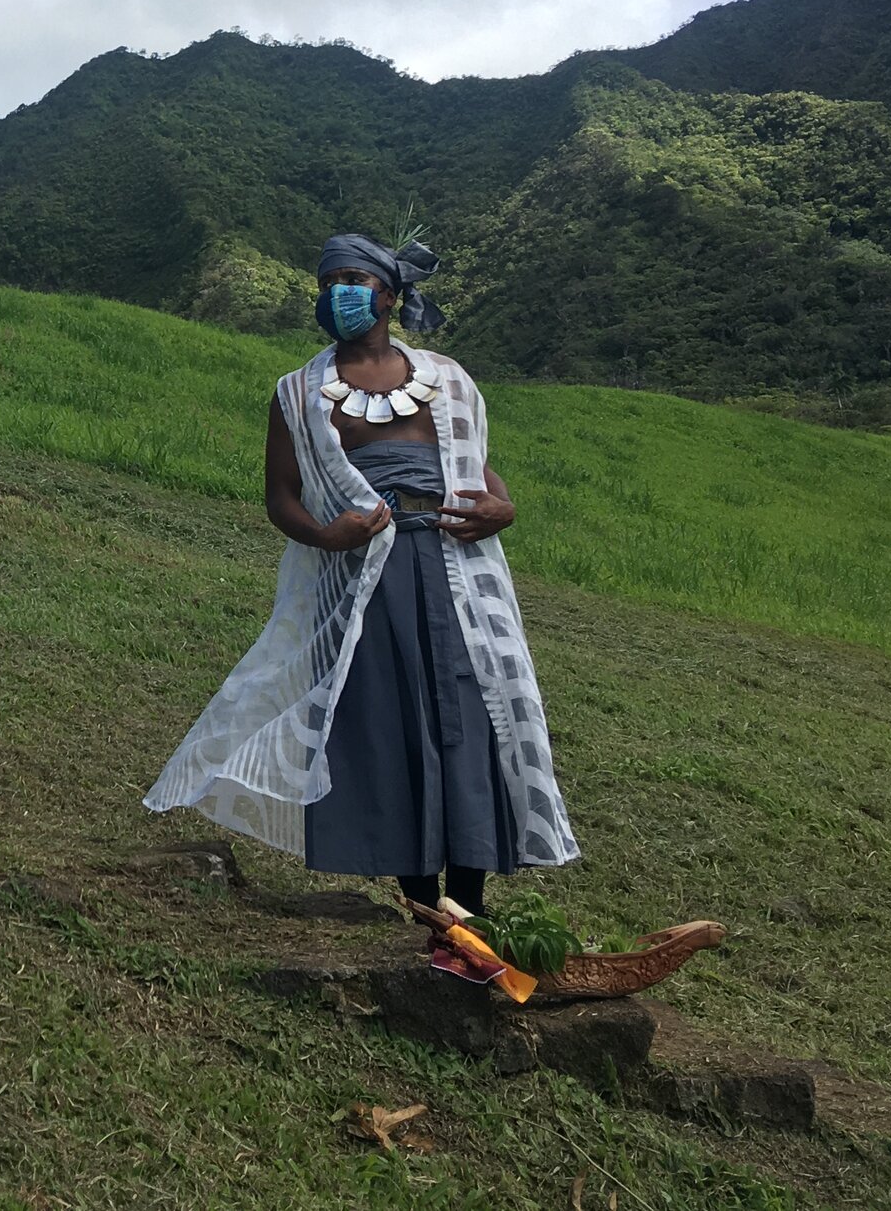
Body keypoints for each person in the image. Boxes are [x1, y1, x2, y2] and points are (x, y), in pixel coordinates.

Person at [146, 234, 577, 916]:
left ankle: (470, 899)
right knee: (385, 719)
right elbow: (280, 496)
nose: (340, 292)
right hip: (365, 580)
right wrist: (326, 534)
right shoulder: (298, 393)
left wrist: (503, 506)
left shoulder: (449, 378)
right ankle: (420, 899)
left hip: (456, 575)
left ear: (391, 294)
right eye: (330, 281)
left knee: (465, 716)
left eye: (355, 279)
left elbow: (475, 466)